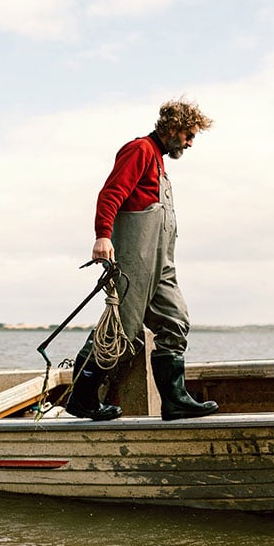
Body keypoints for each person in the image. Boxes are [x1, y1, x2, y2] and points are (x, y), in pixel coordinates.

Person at [64, 98, 219, 421]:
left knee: (176, 321)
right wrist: (103, 235)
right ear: (173, 128)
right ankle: (81, 398)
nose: (190, 143)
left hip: (162, 266)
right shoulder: (140, 151)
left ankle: (174, 401)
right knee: (120, 329)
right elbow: (111, 193)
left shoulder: (161, 164)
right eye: (189, 135)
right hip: (135, 263)